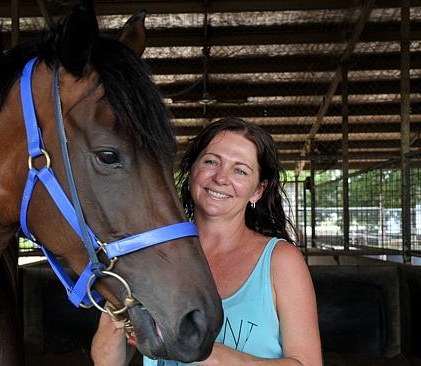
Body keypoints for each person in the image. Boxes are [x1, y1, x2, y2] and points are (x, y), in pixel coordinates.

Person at [91, 117, 322, 366]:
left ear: (258, 190)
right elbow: (108, 363)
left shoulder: (280, 261)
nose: (221, 178)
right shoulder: (153, 254)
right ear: (192, 171)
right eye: (211, 161)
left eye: (240, 170)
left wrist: (204, 351)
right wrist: (115, 316)